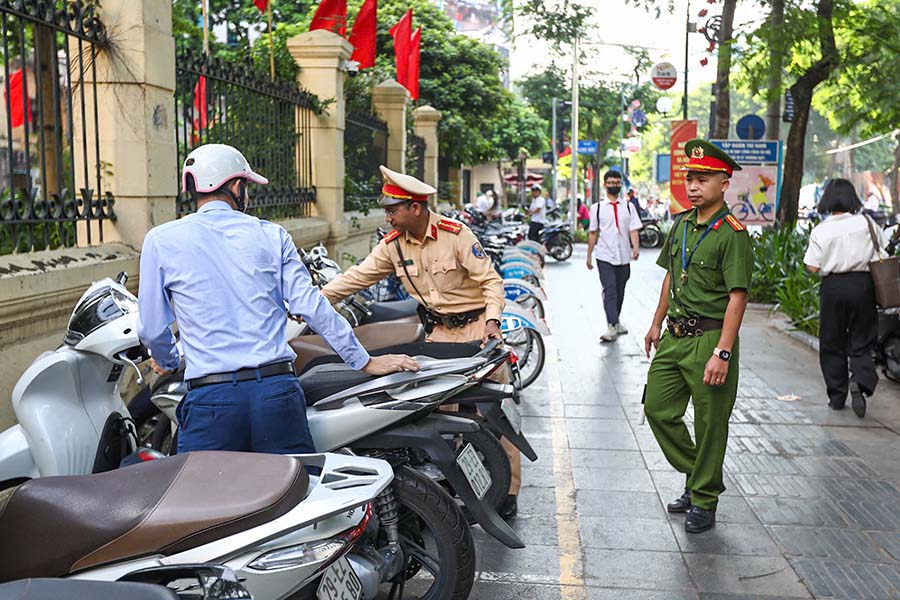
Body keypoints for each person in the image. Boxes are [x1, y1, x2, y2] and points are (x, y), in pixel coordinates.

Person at [137, 144, 418, 455]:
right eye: (246, 186)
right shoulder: (272, 235)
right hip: (274, 393)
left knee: (208, 500)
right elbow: (312, 307)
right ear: (235, 186)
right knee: (298, 497)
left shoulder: (161, 241)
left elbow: (151, 329)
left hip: (210, 401)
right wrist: (364, 361)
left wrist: (167, 361)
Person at [320, 165, 523, 519]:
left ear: (415, 208)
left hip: (478, 331)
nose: (387, 216)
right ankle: (455, 490)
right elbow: (355, 278)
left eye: (392, 209)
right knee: (442, 418)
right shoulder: (393, 247)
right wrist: (311, 302)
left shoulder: (455, 234)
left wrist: (493, 320)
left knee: (495, 415)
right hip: (439, 337)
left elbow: (490, 281)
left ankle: (507, 491)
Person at [642, 139, 752, 534]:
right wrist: (656, 322)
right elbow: (671, 275)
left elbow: (738, 296)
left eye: (702, 179)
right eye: (690, 178)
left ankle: (704, 499)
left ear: (724, 183)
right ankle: (699, 473)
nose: (693, 186)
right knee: (657, 408)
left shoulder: (733, 234)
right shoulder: (682, 225)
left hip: (710, 338)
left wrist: (722, 352)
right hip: (674, 336)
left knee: (710, 424)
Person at [803, 178, 884, 418]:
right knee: (863, 337)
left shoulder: (821, 230)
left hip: (833, 287)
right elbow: (883, 250)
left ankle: (837, 396)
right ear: (853, 198)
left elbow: (812, 267)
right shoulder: (867, 223)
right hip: (863, 285)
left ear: (827, 199)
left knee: (832, 341)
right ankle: (861, 379)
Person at [586, 170, 643, 342]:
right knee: (610, 290)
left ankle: (616, 321)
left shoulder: (628, 206)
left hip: (624, 256)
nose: (613, 185)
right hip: (604, 256)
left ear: (620, 185)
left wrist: (636, 248)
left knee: (620, 290)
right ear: (605, 185)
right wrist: (589, 256)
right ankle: (611, 325)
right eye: (610, 182)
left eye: (616, 183)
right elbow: (593, 233)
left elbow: (633, 229)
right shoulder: (597, 208)